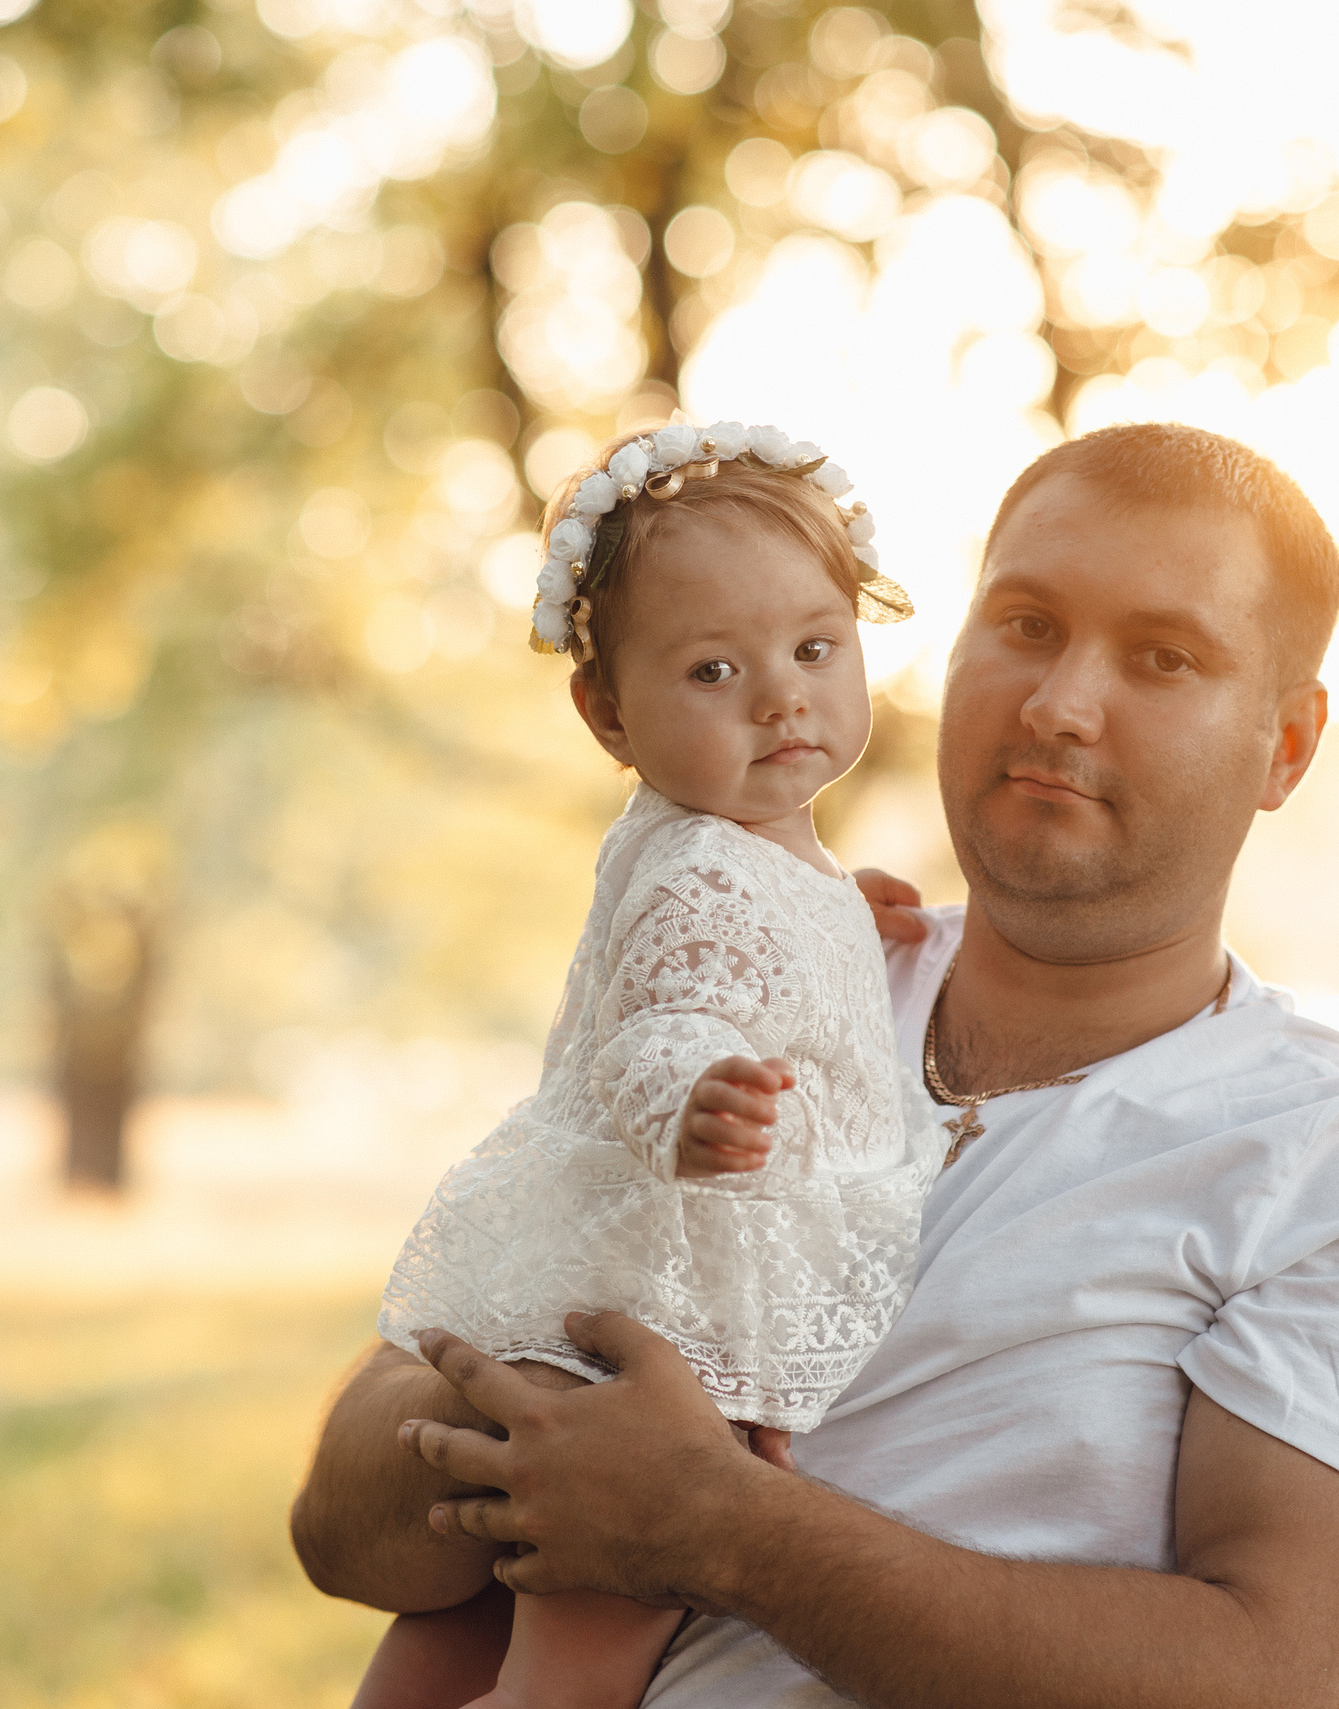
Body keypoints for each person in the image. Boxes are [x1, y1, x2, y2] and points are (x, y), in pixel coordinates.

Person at [296, 422, 1339, 1709]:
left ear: (1284, 744)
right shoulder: (753, 981)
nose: (1058, 702)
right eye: (1026, 624)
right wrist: (538, 1439)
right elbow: (339, 1523)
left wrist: (719, 1527)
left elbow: (1281, 1678)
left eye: (1162, 657)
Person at [355, 420, 943, 1709]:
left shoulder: (728, 843)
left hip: (575, 1318)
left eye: (813, 649)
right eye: (714, 669)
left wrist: (848, 916)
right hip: (661, 1352)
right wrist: (692, 1098)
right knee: (577, 1670)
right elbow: (662, 1022)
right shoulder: (706, 871)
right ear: (606, 709)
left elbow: (755, 934)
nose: (781, 696)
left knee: (461, 1627)